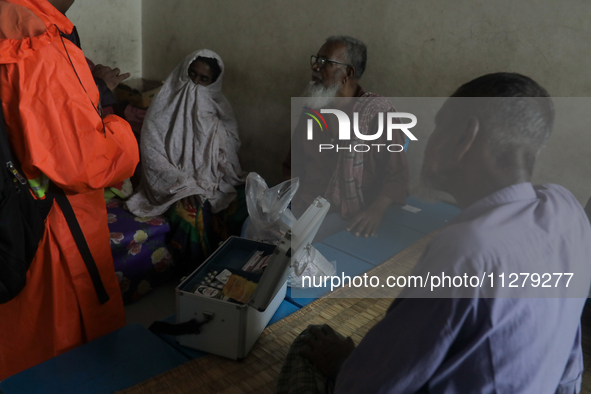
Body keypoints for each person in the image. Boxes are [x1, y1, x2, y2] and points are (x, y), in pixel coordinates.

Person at [277, 73, 591, 393]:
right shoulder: (567, 210)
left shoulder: (466, 248)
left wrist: (346, 364)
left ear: (465, 135)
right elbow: (570, 360)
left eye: (441, 125)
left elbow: (375, 384)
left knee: (308, 339)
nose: (429, 140)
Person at [0, 0, 139, 379]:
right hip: (49, 226)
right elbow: (85, 163)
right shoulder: (34, 37)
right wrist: (119, 128)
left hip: (14, 220)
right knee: (62, 356)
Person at [126, 49, 247, 272]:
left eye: (203, 80)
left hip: (214, 178)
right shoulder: (162, 105)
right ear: (182, 72)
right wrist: (185, 186)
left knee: (246, 204)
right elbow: (153, 157)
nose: (194, 83)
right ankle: (200, 275)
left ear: (213, 83)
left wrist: (224, 173)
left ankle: (233, 269)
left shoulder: (220, 106)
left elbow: (230, 148)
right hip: (173, 182)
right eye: (191, 74)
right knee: (193, 216)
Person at [284, 35, 408, 240]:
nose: (315, 67)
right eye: (316, 60)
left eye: (324, 62)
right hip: (304, 203)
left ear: (347, 72)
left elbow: (397, 176)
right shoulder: (313, 112)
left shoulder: (378, 115)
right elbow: (291, 165)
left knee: (300, 248)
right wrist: (285, 203)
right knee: (253, 227)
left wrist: (375, 211)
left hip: (346, 213)